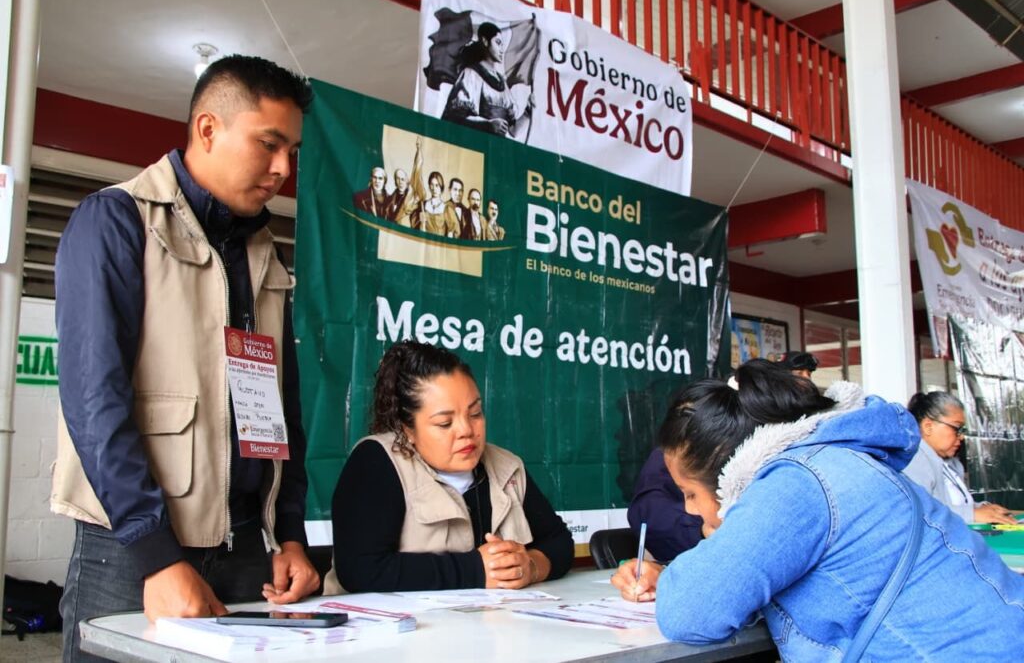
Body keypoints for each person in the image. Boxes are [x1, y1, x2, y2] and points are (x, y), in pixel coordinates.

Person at [52, 55, 320, 661]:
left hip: (250, 553)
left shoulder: (264, 253)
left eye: (292, 151)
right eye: (269, 144)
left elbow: (279, 413)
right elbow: (95, 401)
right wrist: (156, 555)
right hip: (134, 551)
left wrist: (293, 536)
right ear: (207, 129)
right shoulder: (116, 221)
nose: (283, 168)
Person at [611, 360, 1024, 660]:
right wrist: (672, 573)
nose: (691, 510)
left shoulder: (795, 483)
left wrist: (680, 578)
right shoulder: (836, 462)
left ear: (728, 475)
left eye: (689, 494)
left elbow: (692, 614)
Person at [331, 340, 574, 592]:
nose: (466, 431)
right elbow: (360, 570)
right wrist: (475, 569)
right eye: (445, 423)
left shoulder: (507, 466)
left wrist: (531, 566)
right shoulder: (377, 461)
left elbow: (559, 542)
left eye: (475, 413)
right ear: (406, 429)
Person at [903, 391, 1018, 525]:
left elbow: (957, 504)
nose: (961, 436)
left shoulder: (951, 464)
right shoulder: (913, 460)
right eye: (956, 428)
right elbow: (922, 513)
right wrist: (973, 514)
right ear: (928, 427)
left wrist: (982, 508)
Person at [441, 22, 533, 139]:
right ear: (485, 41)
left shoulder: (502, 83)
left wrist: (528, 112)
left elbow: (513, 131)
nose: (502, 50)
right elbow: (455, 118)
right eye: (498, 43)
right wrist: (488, 125)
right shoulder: (471, 74)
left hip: (498, 150)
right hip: (475, 145)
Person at [627, 448, 704, 562]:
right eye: (690, 495)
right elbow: (649, 515)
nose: (691, 506)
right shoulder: (676, 450)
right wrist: (702, 531)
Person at [420, 170, 460, 237]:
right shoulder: (423, 205)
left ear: (441, 187)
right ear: (429, 186)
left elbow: (452, 233)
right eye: (432, 185)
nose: (434, 188)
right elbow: (421, 230)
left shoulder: (446, 208)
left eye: (437, 185)